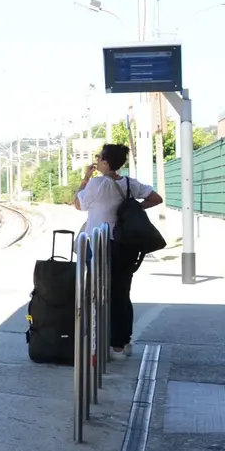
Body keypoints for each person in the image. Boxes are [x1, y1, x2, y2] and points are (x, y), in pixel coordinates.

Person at [70, 143, 163, 357]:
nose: (97, 160)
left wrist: (85, 178)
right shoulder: (130, 183)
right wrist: (131, 210)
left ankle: (96, 341)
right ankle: (120, 344)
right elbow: (156, 199)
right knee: (121, 293)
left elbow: (78, 204)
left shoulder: (96, 184)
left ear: (105, 161)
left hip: (99, 244)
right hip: (125, 246)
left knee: (94, 293)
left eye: (99, 157)